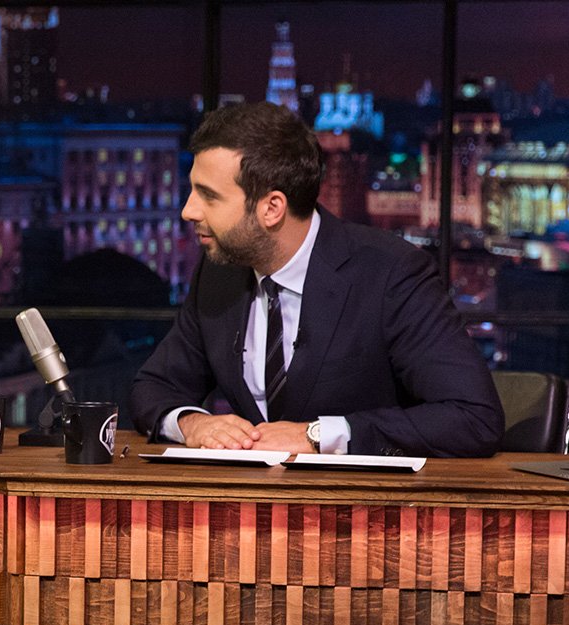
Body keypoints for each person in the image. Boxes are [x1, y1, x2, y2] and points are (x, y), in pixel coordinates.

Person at [129, 101, 504, 458]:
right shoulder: (218, 273)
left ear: (272, 208)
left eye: (209, 197)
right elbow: (153, 387)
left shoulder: (391, 273)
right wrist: (192, 423)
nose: (188, 210)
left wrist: (319, 435)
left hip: (363, 500)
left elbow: (473, 417)